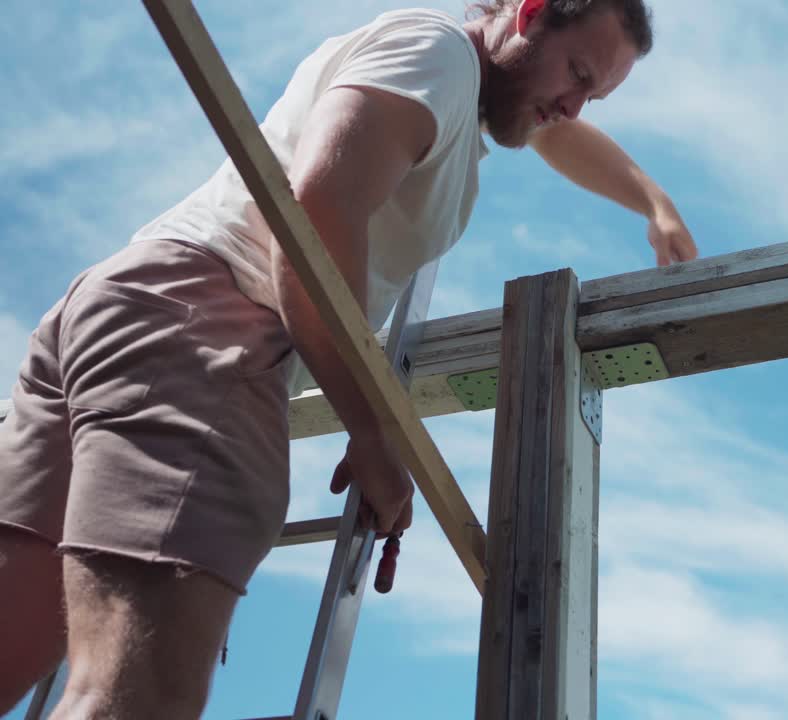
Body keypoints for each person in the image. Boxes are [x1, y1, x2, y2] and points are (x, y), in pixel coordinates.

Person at [0, 0, 697, 716]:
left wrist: (653, 200)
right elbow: (315, 213)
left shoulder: (455, 74)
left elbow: (556, 130)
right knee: (133, 693)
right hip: (205, 335)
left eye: (594, 95)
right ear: (530, 13)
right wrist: (371, 430)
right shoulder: (440, 59)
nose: (574, 106)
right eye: (578, 74)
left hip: (121, 313)